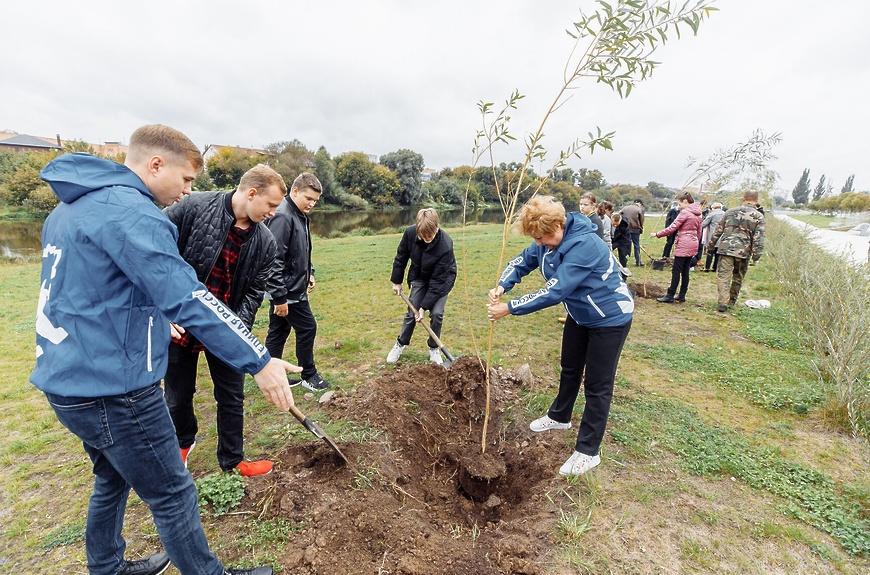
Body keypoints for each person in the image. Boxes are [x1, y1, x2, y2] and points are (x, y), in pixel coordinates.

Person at [32, 124, 296, 575]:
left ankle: (108, 568)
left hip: (64, 378)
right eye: (187, 179)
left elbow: (102, 289)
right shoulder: (132, 213)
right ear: (156, 164)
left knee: (111, 478)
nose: (187, 190)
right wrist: (259, 358)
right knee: (173, 493)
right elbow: (185, 295)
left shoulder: (69, 208)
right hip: (115, 386)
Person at [487, 196, 633, 476]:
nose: (538, 243)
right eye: (535, 239)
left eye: (541, 237)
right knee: (569, 368)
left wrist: (510, 308)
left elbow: (555, 290)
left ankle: (588, 452)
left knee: (597, 384)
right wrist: (502, 286)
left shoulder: (586, 246)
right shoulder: (545, 240)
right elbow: (522, 261)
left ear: (557, 226)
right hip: (580, 315)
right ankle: (560, 416)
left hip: (610, 319)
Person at [163, 164, 286, 477]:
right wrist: (160, 309)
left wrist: (235, 333)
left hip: (225, 327)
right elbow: (153, 252)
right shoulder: (194, 207)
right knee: (177, 395)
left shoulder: (266, 243)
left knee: (231, 396)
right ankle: (182, 443)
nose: (273, 212)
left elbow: (253, 294)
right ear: (251, 193)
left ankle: (233, 460)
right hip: (180, 321)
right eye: (271, 205)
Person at [265, 172, 330, 392]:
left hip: (294, 286)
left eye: (315, 200)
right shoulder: (283, 216)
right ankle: (308, 375)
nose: (311, 203)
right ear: (295, 191)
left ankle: (271, 376)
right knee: (308, 327)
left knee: (278, 331)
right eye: (308, 198)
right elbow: (274, 259)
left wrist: (309, 271)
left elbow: (300, 250)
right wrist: (279, 298)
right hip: (288, 291)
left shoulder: (298, 213)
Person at [386, 208, 457, 364]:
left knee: (437, 314)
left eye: (430, 236)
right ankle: (400, 343)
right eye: (423, 236)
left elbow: (438, 282)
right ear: (417, 229)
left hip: (442, 280)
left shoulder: (445, 245)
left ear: (437, 227)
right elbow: (401, 256)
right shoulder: (410, 234)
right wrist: (397, 281)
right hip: (419, 276)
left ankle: (434, 348)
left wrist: (424, 307)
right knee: (412, 313)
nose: (426, 239)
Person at [709, 190, 766, 312]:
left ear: (743, 198)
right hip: (744, 252)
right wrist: (757, 255)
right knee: (737, 277)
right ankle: (732, 301)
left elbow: (718, 230)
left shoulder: (730, 212)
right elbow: (759, 238)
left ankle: (722, 302)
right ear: (757, 200)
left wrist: (711, 245)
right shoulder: (758, 217)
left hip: (726, 249)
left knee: (723, 276)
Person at [650, 192, 702, 303]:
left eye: (680, 204)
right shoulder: (698, 214)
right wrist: (695, 243)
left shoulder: (685, 213)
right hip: (693, 243)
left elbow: (673, 227)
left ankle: (670, 295)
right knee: (685, 270)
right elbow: (699, 231)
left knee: (676, 270)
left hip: (684, 243)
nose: (679, 206)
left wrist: (657, 234)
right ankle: (682, 295)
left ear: (685, 202)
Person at [700, 201, 725, 271]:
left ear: (713, 208)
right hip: (722, 235)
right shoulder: (725, 214)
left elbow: (704, 223)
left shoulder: (712, 214)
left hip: (713, 234)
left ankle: (707, 267)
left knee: (710, 251)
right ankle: (715, 267)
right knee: (718, 252)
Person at [620, 198, 645, 266]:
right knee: (636, 245)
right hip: (635, 230)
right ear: (639, 203)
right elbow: (641, 220)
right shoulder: (639, 210)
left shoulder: (625, 208)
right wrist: (641, 229)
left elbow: (619, 216)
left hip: (625, 229)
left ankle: (623, 260)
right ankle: (638, 261)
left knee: (625, 244)